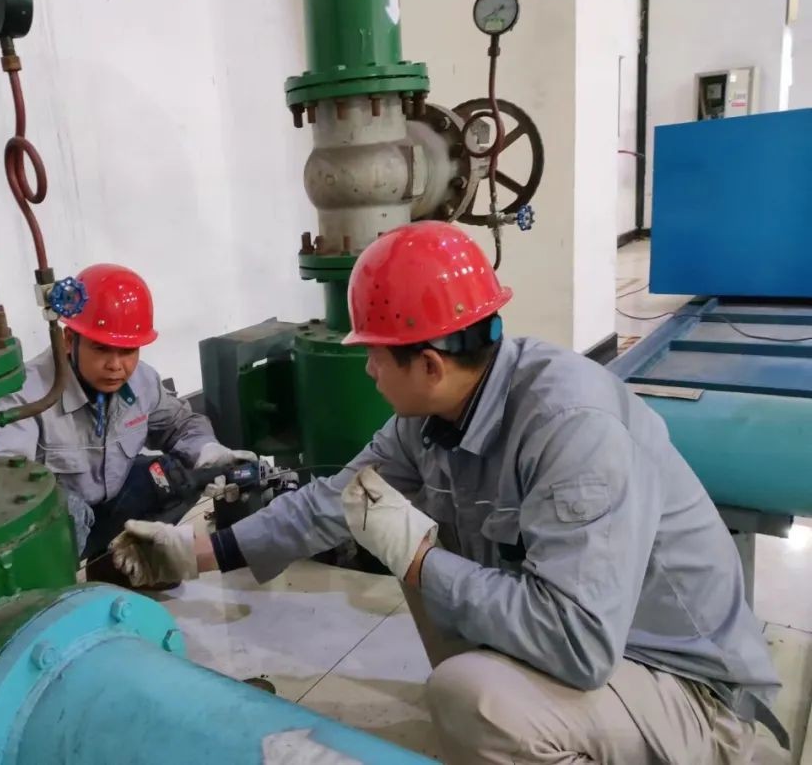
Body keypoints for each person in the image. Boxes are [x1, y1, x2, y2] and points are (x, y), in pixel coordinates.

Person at [108, 222, 788, 764]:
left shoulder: (571, 430)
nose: (368, 370)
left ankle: (526, 730)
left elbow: (578, 643)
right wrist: (195, 551)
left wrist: (420, 560)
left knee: (472, 694)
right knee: (407, 547)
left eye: (375, 354)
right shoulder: (433, 413)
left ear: (429, 364)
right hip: (602, 647)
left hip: (684, 687)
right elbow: (338, 500)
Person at [0, 263, 255, 570]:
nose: (116, 365)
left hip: (111, 503)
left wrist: (207, 450)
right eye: (101, 349)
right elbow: (7, 485)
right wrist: (62, 506)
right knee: (65, 515)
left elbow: (180, 424)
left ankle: (129, 567)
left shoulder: (142, 381)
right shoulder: (26, 396)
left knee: (176, 476)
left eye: (128, 351)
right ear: (68, 340)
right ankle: (61, 583)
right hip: (60, 529)